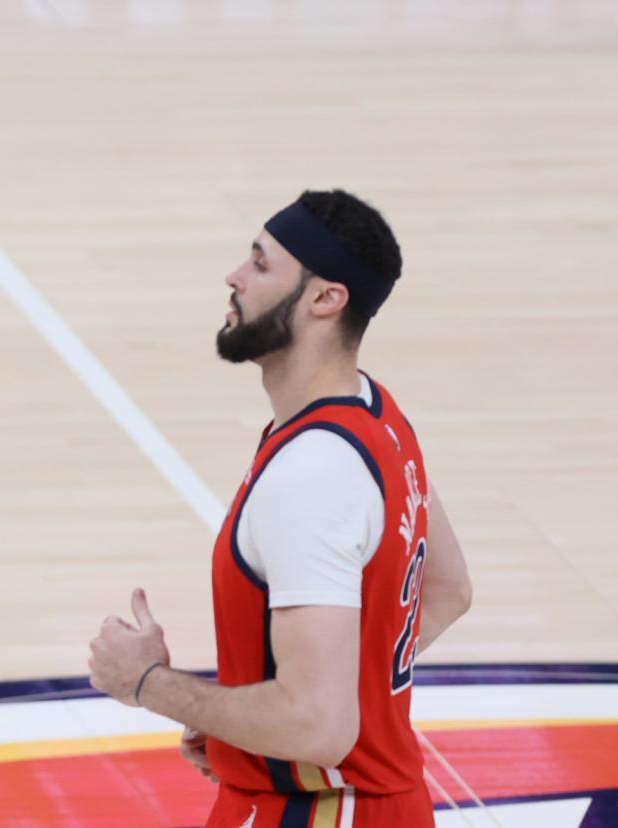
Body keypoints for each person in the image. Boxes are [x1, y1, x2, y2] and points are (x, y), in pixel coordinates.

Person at [88, 190, 473, 827]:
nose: (234, 278)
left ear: (325, 298)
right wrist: (246, 726)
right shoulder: (380, 414)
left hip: (321, 812)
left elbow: (317, 728)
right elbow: (448, 592)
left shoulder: (313, 476)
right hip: (377, 804)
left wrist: (148, 682)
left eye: (262, 266)